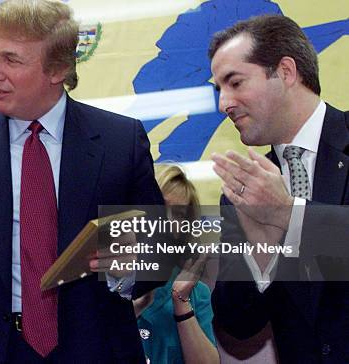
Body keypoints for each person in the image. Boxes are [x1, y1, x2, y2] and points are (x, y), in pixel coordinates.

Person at [0, 0, 166, 362]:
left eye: (11, 60)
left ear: (57, 69)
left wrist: (130, 265)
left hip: (94, 349)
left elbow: (157, 254)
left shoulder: (120, 142)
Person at [208, 14, 349, 362]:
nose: (224, 103)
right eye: (219, 89)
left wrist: (289, 216)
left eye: (235, 82)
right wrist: (262, 257)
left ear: (285, 72)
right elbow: (237, 325)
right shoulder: (244, 191)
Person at [133, 165, 219, 364]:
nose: (169, 220)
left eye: (179, 215)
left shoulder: (196, 291)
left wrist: (181, 302)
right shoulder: (105, 282)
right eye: (162, 207)